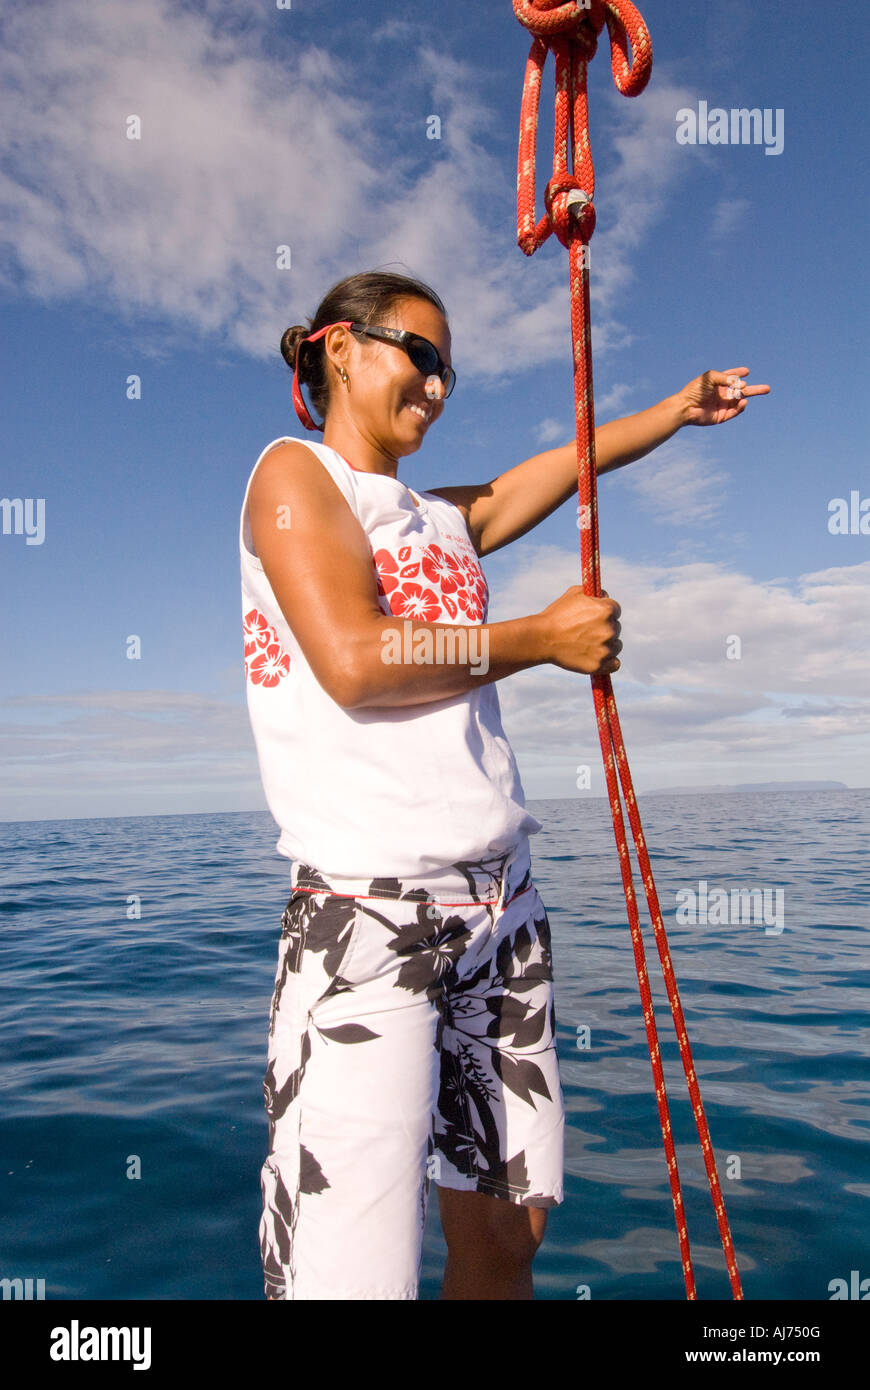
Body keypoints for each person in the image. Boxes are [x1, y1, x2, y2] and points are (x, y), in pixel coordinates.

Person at [239, 269, 768, 1301]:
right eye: (420, 357)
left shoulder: (439, 516)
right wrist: (539, 638)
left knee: (507, 1236)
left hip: (503, 912)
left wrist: (679, 407)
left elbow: (567, 462)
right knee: (353, 1273)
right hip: (368, 916)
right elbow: (352, 656)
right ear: (339, 348)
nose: (439, 387)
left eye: (451, 372)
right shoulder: (295, 478)